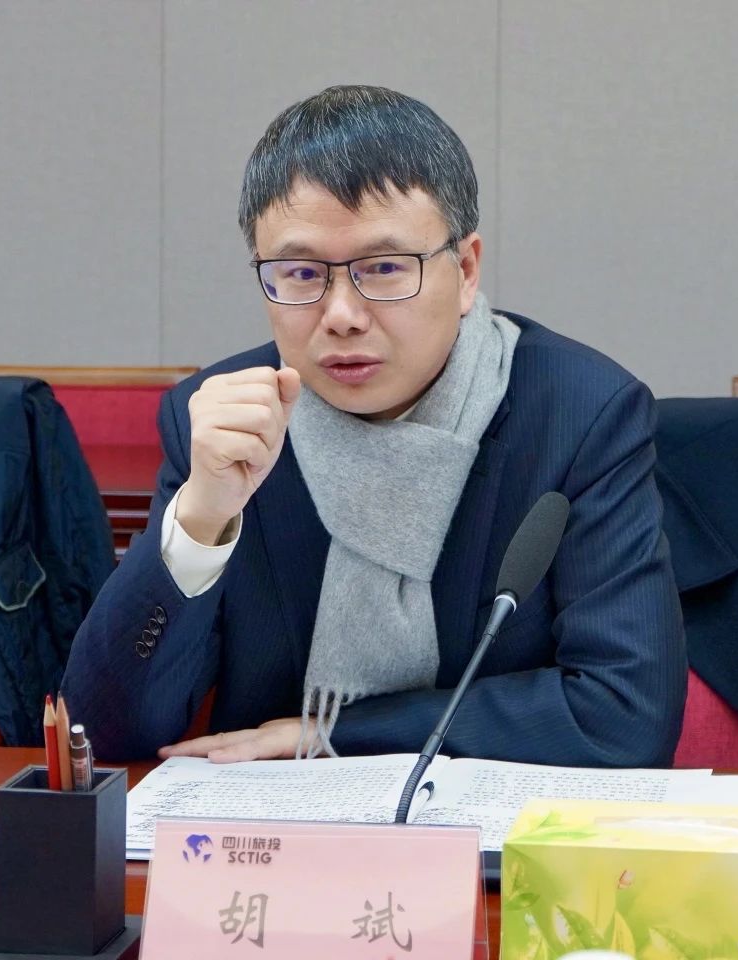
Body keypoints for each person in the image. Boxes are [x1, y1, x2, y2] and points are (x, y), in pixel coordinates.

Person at [61, 84, 686, 765]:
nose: (341, 315)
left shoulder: (580, 415)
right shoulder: (225, 427)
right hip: (263, 827)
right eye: (301, 273)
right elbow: (106, 735)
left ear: (466, 270)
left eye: (385, 268)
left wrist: (333, 734)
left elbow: (625, 717)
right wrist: (200, 522)